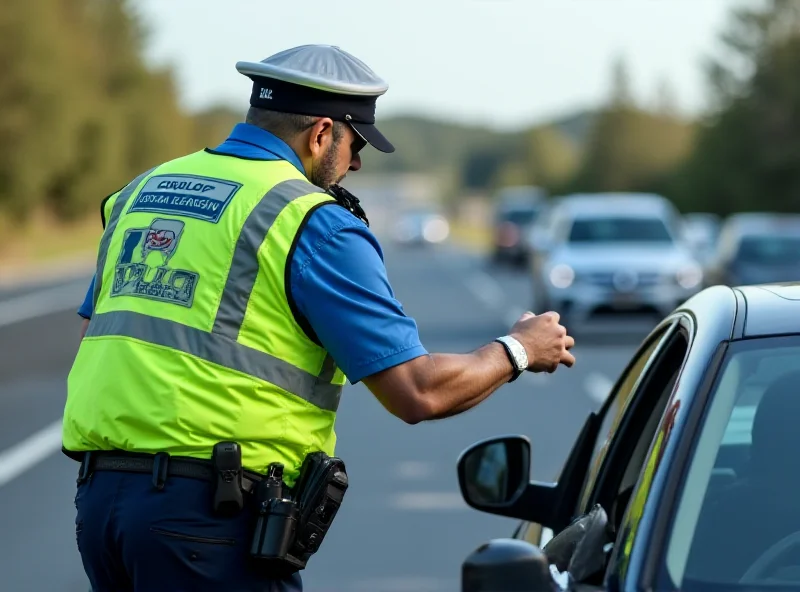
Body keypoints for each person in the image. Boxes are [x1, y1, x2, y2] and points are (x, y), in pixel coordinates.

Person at [64, 44, 576, 591]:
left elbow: (107, 333)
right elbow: (416, 391)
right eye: (355, 144)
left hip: (101, 509)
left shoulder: (142, 192)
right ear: (321, 133)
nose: (355, 163)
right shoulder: (309, 222)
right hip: (208, 521)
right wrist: (520, 349)